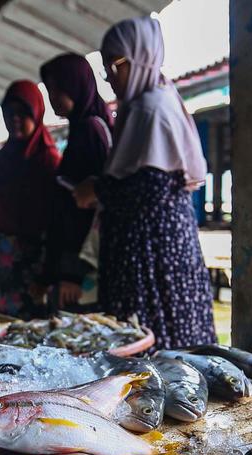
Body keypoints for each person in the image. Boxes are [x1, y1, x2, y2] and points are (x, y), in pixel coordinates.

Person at [72, 16, 216, 348]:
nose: (109, 76)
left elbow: (150, 187)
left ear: (142, 58)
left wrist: (97, 189)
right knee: (167, 335)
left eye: (116, 64)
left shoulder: (149, 107)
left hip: (151, 250)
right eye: (105, 66)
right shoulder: (151, 99)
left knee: (153, 337)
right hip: (157, 243)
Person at [0, 80, 60, 318]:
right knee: (4, 328)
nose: (15, 120)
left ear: (37, 112)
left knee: (37, 338)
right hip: (6, 263)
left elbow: (56, 220)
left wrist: (47, 276)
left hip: (38, 268)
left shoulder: (48, 161)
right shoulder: (2, 160)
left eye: (23, 113)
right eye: (9, 114)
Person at [39, 53, 112, 310]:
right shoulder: (84, 128)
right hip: (78, 260)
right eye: (49, 91)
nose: (52, 98)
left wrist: (72, 274)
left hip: (83, 266)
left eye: (58, 89)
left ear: (76, 85)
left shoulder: (90, 131)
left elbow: (90, 211)